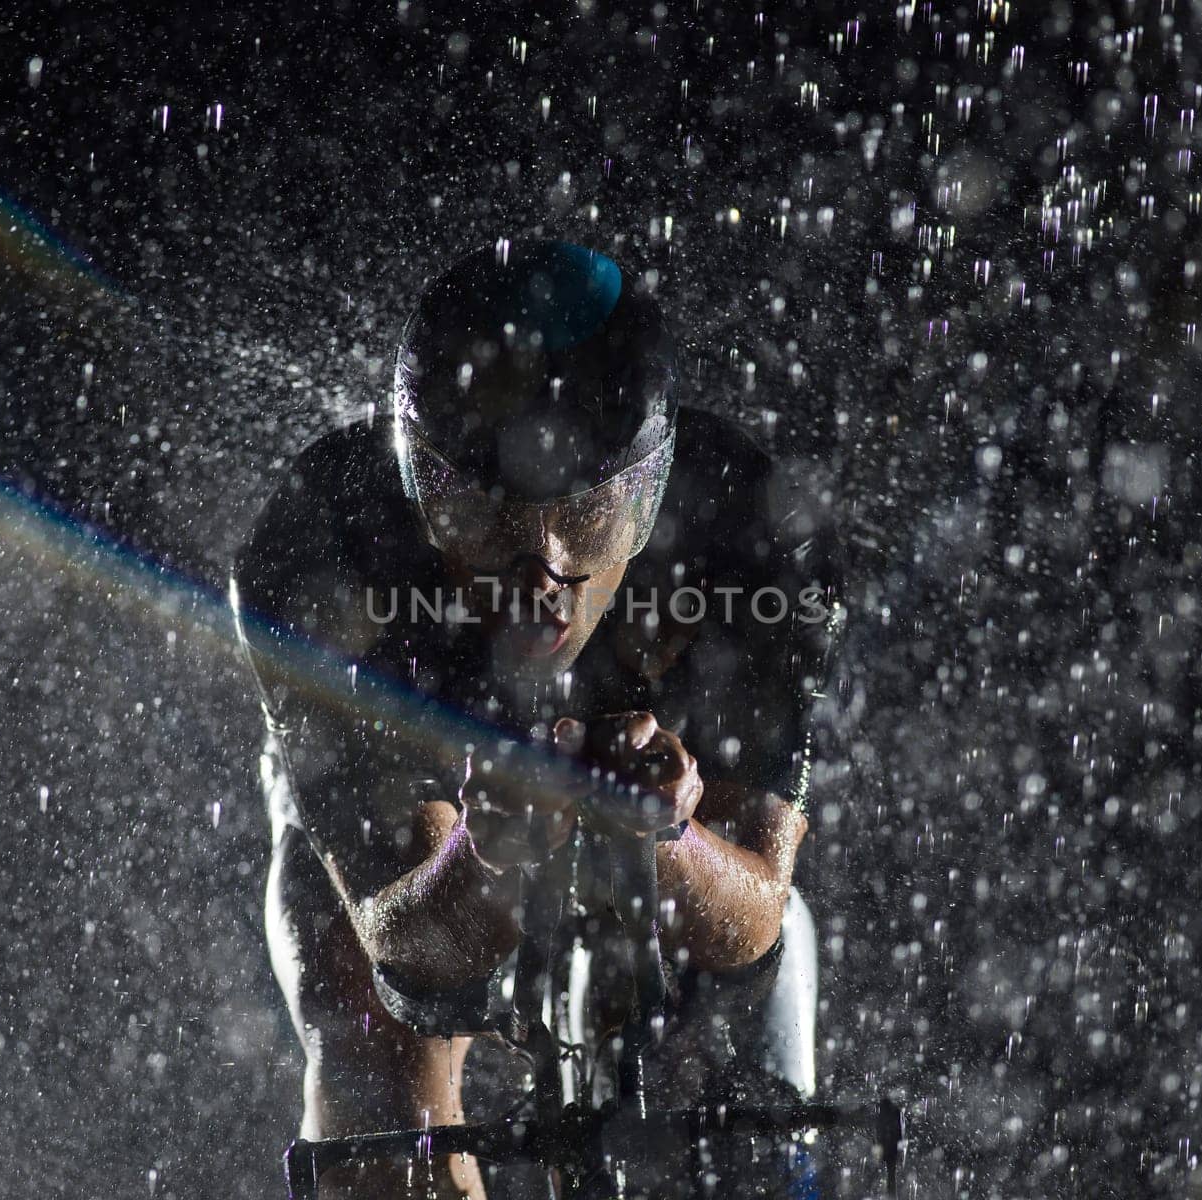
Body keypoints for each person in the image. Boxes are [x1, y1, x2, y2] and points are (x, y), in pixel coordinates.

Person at [230, 238, 844, 1198]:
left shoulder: (755, 535)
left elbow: (749, 921)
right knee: (375, 1063)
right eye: (480, 524)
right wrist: (489, 858)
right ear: (417, 492)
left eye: (586, 526)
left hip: (639, 789)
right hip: (417, 796)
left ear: (646, 505)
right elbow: (407, 951)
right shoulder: (323, 546)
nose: (539, 586)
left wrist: (672, 835)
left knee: (738, 1055)